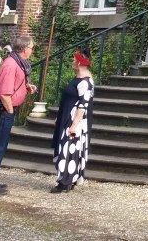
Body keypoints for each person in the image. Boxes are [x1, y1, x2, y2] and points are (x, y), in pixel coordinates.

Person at [0, 34, 35, 196]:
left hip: (6, 109)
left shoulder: (18, 63)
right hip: (4, 111)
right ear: (25, 49)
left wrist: (26, 87)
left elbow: (12, 87)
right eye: (32, 48)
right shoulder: (11, 65)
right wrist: (10, 112)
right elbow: (5, 94)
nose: (32, 51)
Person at [50, 50, 94, 192]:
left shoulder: (85, 82)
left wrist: (74, 125)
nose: (72, 62)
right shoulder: (78, 78)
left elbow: (83, 105)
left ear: (80, 62)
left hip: (74, 120)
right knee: (68, 148)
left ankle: (65, 181)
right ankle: (69, 179)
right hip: (67, 117)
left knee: (69, 149)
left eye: (74, 60)